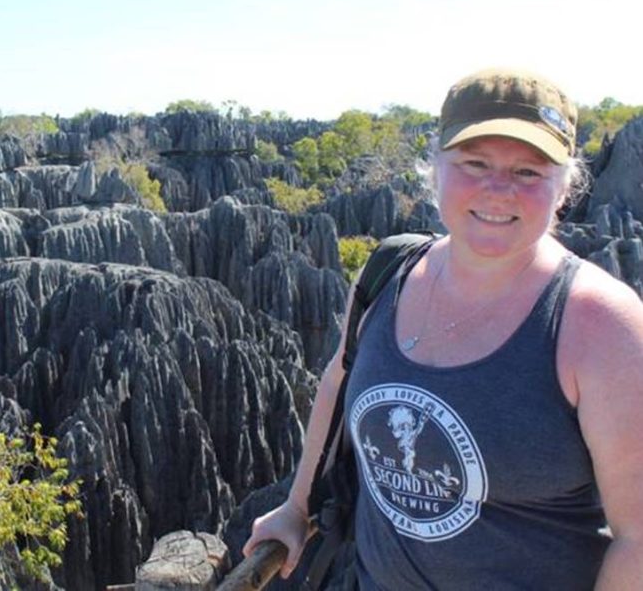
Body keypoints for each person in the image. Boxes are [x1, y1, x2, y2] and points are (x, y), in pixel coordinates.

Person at [242, 68, 643, 589]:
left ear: (564, 187)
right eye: (474, 163)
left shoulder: (600, 324)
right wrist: (295, 507)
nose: (498, 190)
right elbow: (338, 384)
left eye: (528, 172)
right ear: (435, 168)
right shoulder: (386, 272)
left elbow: (637, 537)